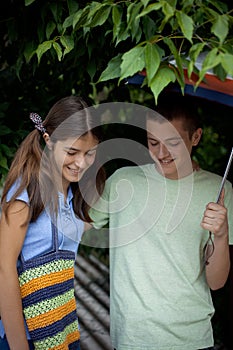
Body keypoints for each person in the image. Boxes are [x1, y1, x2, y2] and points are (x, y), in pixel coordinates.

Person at [88, 95, 233, 350]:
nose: (162, 153)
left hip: (192, 340)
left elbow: (217, 282)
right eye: (153, 142)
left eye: (173, 143)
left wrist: (221, 235)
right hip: (133, 338)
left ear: (196, 137)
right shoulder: (124, 181)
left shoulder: (220, 191)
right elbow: (80, 225)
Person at [0, 95, 105, 349]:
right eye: (72, 152)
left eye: (90, 153)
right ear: (48, 141)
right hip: (23, 337)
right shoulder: (26, 194)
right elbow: (4, 271)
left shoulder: (73, 194)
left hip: (63, 330)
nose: (81, 163)